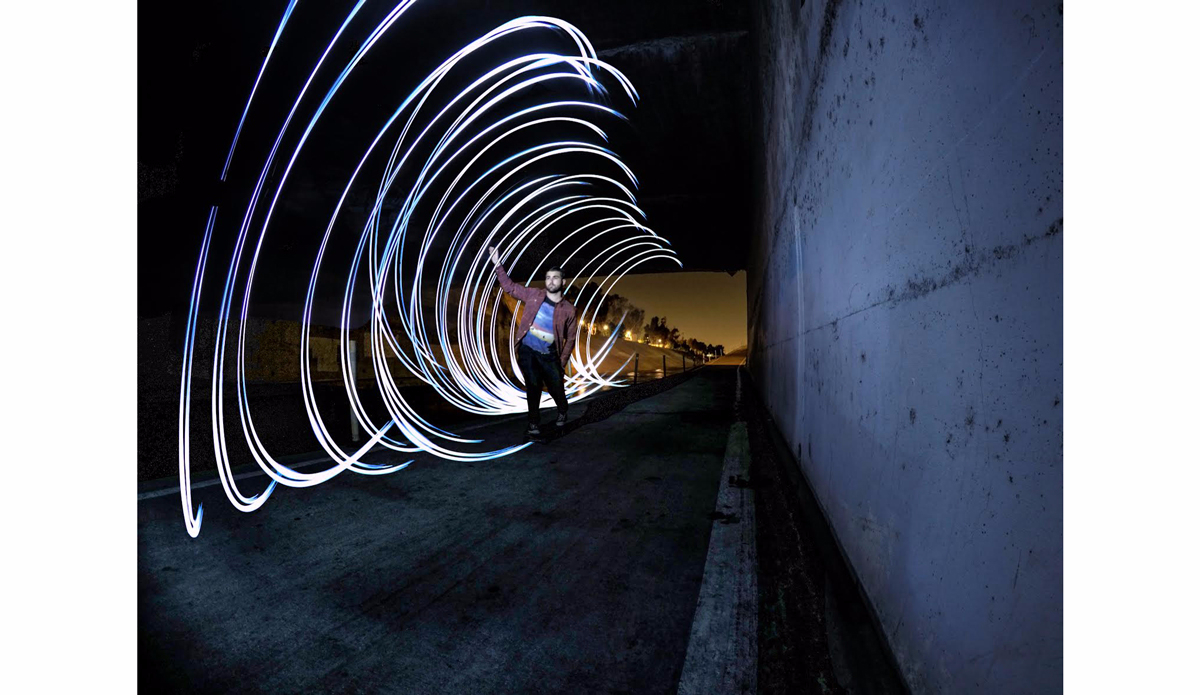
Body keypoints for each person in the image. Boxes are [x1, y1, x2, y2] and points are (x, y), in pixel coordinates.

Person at [488, 246, 577, 437]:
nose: (551, 281)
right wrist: (498, 264)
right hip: (528, 350)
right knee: (533, 386)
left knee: (556, 388)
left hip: (549, 355)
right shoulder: (534, 294)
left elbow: (570, 338)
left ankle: (562, 409)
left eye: (555, 277)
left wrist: (561, 361)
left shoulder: (568, 309)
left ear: (563, 281)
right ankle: (533, 424)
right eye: (548, 277)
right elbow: (510, 287)